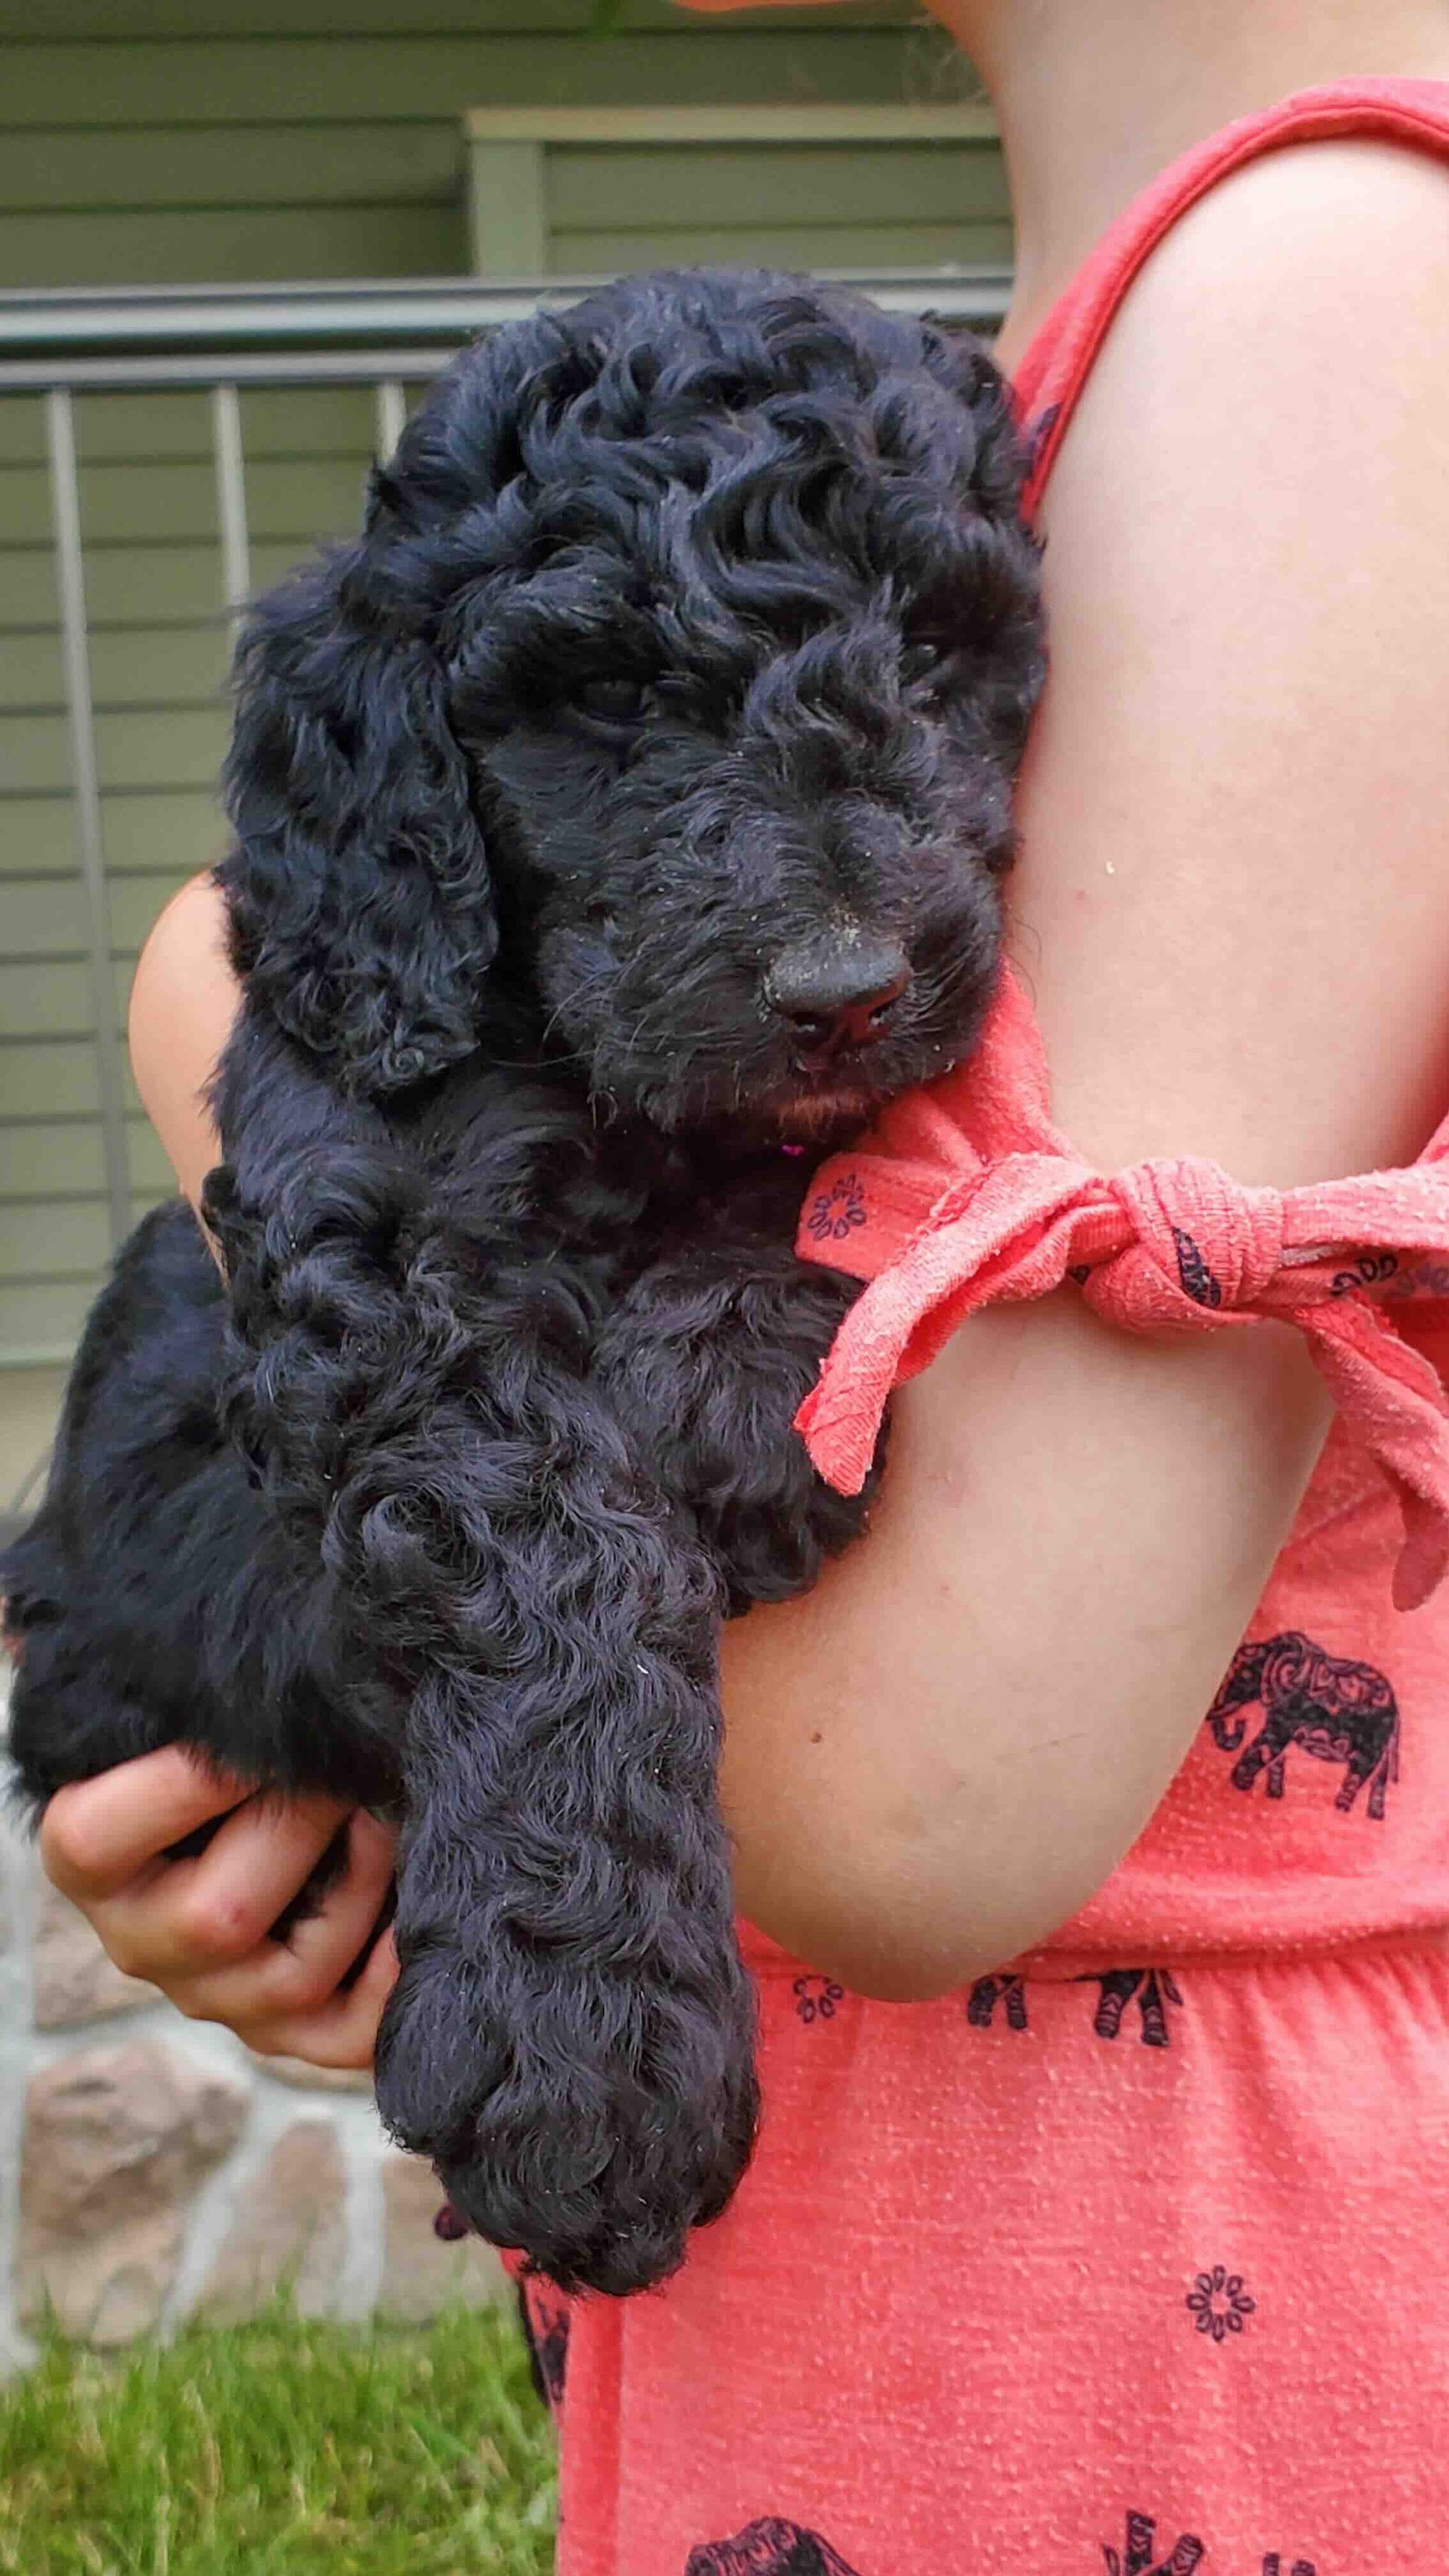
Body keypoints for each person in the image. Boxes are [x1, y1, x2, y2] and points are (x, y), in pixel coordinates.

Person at [36, 2, 1449, 2563]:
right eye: (611, 727)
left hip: (1146, 2310)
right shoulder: (1100, 359)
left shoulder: (1331, 327)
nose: (832, 927)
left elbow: (901, 1762)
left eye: (920, 695)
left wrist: (191, 1003)